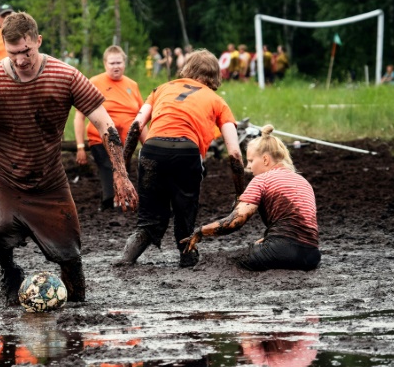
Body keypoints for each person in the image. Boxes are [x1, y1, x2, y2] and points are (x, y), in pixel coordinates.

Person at [0, 12, 138, 305]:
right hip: (4, 175)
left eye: (26, 51)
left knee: (71, 258)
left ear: (38, 41)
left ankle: (74, 299)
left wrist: (120, 173)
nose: (21, 60)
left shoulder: (66, 76)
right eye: (13, 53)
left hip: (49, 180)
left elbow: (105, 124)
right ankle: (10, 273)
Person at [118, 49, 245, 268]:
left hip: (152, 151)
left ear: (187, 69)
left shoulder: (161, 89)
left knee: (147, 220)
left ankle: (125, 259)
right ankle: (187, 256)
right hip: (186, 154)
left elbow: (135, 128)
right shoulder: (217, 101)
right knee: (185, 209)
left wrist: (122, 172)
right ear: (215, 75)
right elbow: (234, 154)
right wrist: (239, 193)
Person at [180, 124, 320, 271]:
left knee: (220, 261)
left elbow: (234, 222)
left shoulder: (262, 179)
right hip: (311, 256)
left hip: (282, 250)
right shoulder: (303, 181)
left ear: (265, 160)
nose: (248, 167)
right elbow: (297, 225)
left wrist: (201, 231)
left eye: (251, 161)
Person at [73, 45, 144, 211]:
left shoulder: (132, 85)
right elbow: (79, 116)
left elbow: (141, 118)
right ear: (105, 64)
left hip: (127, 141)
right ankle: (109, 200)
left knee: (122, 170)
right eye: (112, 63)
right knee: (108, 166)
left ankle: (121, 199)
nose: (116, 66)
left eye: (119, 62)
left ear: (124, 64)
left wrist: (147, 144)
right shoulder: (94, 82)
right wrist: (80, 146)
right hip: (101, 139)